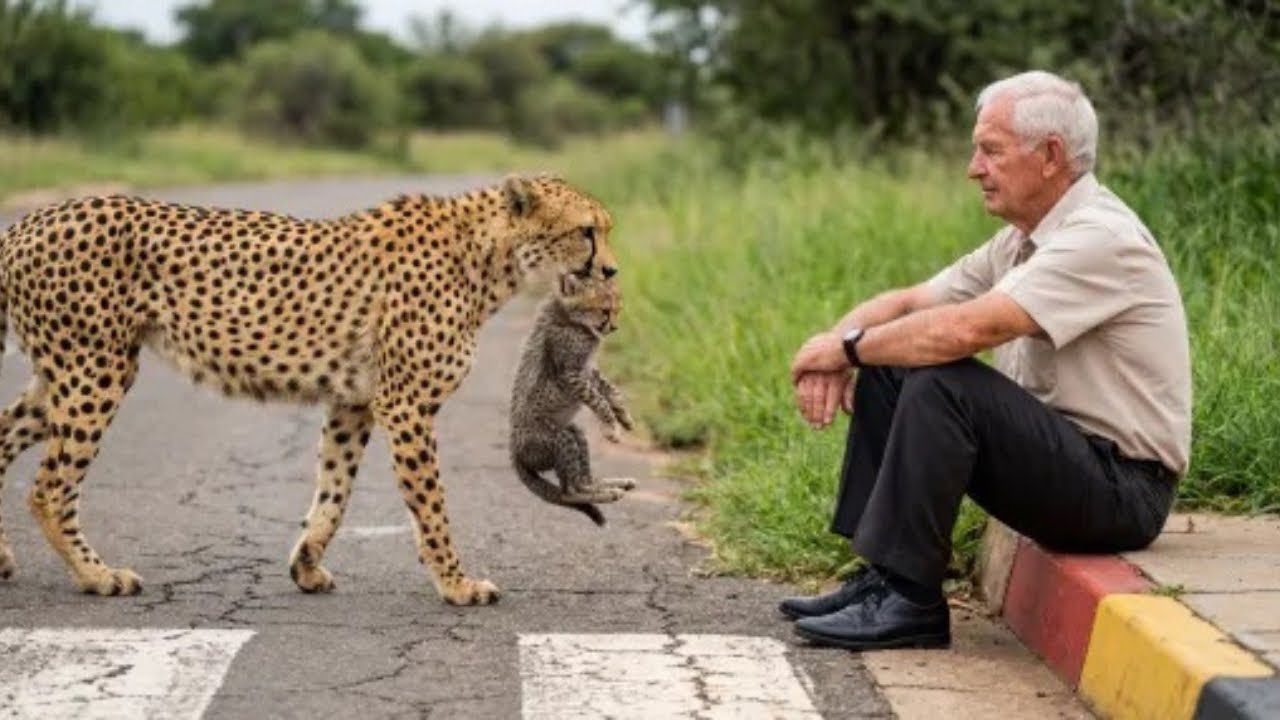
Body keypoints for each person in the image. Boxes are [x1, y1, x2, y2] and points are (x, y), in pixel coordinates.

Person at [782, 70, 1190, 651]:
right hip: (1065, 463)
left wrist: (845, 348)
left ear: (1050, 156)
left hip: (1122, 490)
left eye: (991, 151)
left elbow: (968, 329)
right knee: (894, 361)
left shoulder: (1100, 238)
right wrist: (838, 345)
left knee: (942, 381)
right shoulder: (1023, 239)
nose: (974, 168)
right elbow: (911, 303)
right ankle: (882, 576)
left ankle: (912, 601)